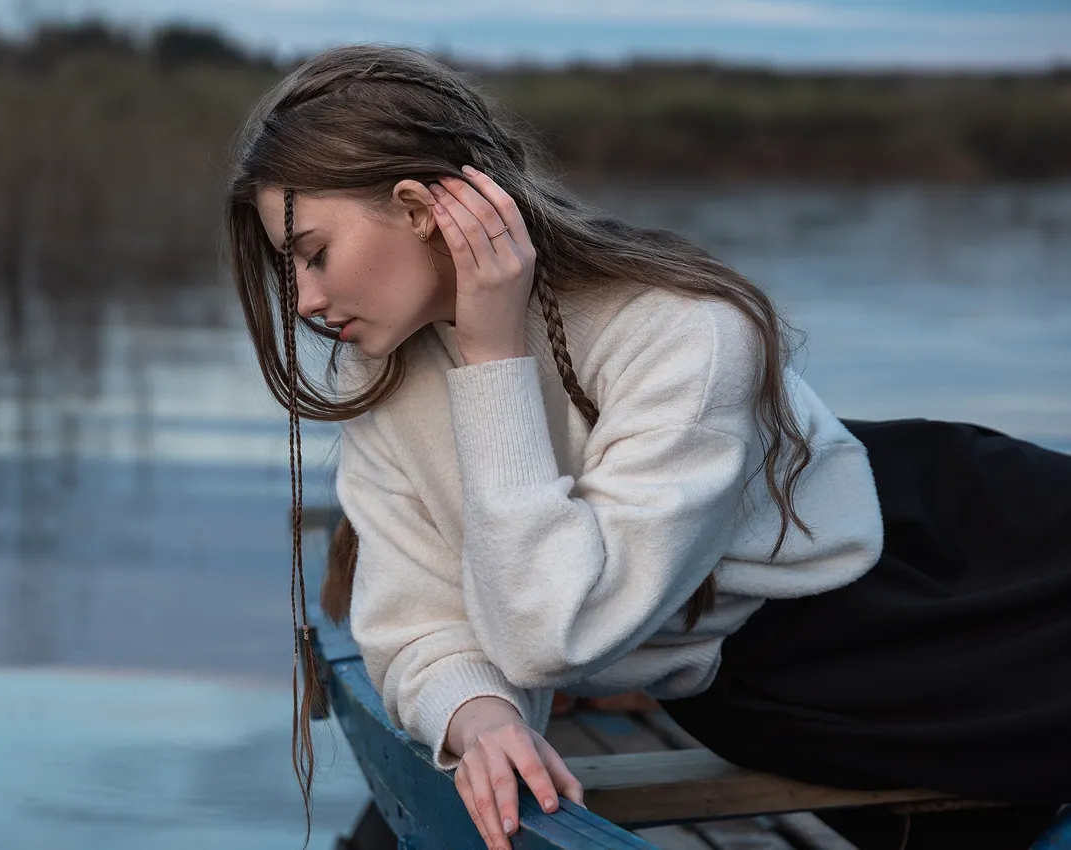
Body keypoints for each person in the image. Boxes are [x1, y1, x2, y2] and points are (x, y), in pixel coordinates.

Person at [224, 44, 1071, 850]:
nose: (302, 300)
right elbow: (416, 623)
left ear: (419, 209)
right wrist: (478, 716)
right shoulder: (384, 386)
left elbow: (552, 633)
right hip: (773, 689)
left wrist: (494, 356)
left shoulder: (686, 333)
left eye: (313, 254)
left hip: (942, 584)